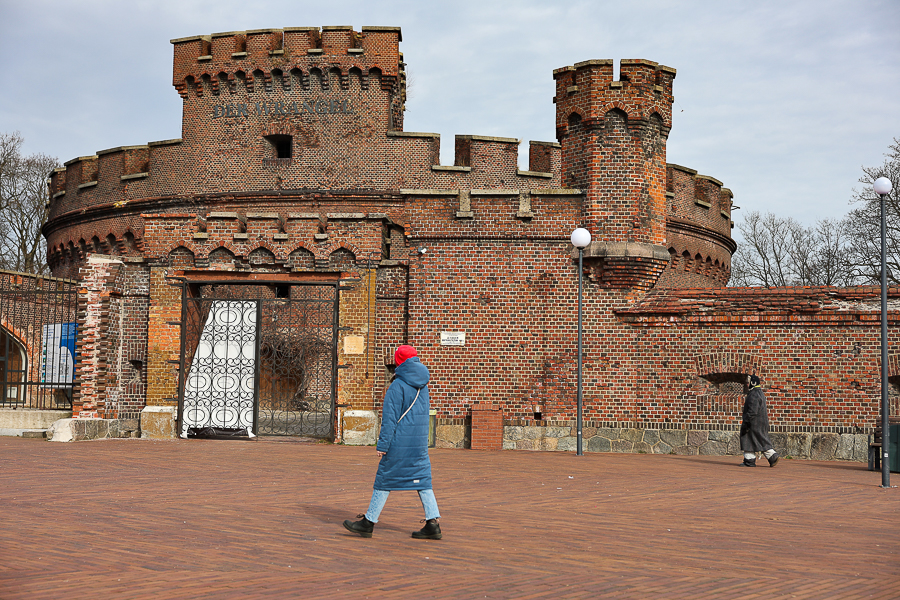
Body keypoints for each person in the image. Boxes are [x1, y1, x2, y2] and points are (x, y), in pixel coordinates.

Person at [343, 345, 442, 539]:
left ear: (398, 361)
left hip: (400, 442)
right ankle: (433, 523)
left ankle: (368, 522)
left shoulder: (397, 386)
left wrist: (383, 445)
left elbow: (390, 420)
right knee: (422, 480)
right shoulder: (423, 384)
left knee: (384, 479)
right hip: (418, 443)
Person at [740, 374, 779, 467]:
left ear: (752, 383)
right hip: (760, 422)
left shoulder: (754, 394)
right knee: (759, 439)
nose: (746, 384)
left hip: (754, 422)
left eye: (748, 383)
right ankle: (772, 456)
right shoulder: (759, 392)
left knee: (748, 439)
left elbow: (753, 411)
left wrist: (746, 422)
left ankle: (750, 461)